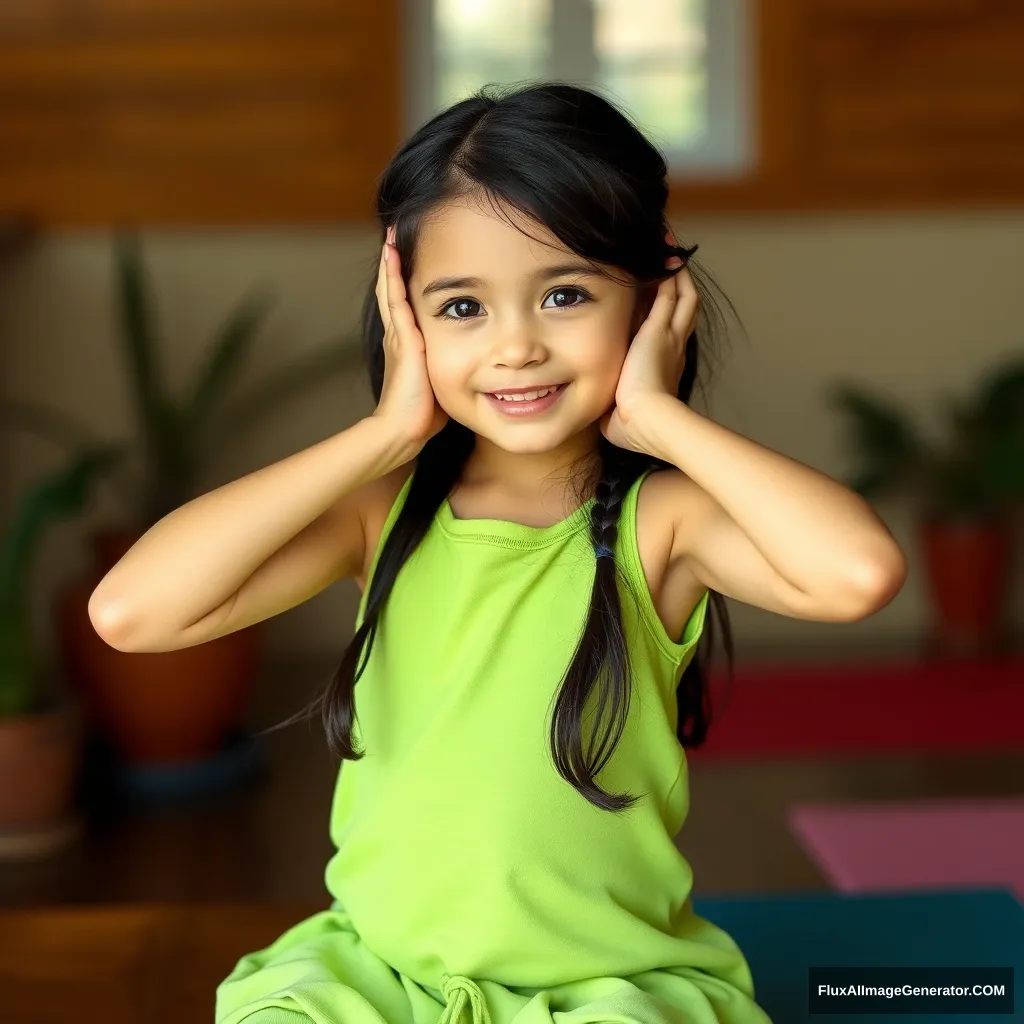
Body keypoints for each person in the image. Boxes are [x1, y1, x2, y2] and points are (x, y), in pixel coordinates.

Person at [89, 82, 907, 1024]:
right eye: (463, 307)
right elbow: (131, 614)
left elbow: (858, 574)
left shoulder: (664, 523)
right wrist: (383, 434)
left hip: (610, 990)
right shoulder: (379, 511)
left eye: (565, 294)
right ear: (407, 319)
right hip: (379, 977)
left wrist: (661, 420)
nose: (516, 347)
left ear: (647, 301)